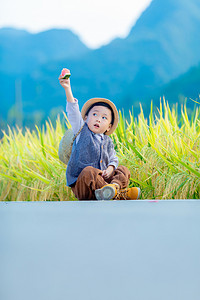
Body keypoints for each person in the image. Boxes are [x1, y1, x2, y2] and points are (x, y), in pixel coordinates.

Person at [59, 69, 141, 201]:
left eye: (104, 117)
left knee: (123, 170)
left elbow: (113, 158)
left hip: (105, 183)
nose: (98, 119)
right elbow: (73, 111)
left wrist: (110, 168)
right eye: (95, 114)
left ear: (109, 126)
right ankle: (120, 195)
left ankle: (113, 189)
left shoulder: (108, 142)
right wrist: (67, 88)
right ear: (85, 118)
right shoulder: (81, 131)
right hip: (85, 185)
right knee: (88, 171)